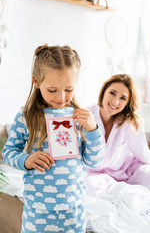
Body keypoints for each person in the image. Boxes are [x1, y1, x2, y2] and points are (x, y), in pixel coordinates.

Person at [2, 44, 104, 233]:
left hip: (74, 209)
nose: (61, 97)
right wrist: (27, 160)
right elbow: (8, 152)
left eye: (68, 89)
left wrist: (93, 129)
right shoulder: (26, 116)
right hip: (38, 210)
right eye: (52, 90)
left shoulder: (80, 117)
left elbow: (95, 160)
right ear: (36, 81)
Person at [86, 74, 150, 194]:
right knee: (89, 186)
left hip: (127, 170)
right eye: (112, 93)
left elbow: (143, 154)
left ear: (127, 103)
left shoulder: (130, 122)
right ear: (104, 91)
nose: (115, 102)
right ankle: (122, 191)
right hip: (96, 176)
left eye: (123, 98)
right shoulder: (87, 116)